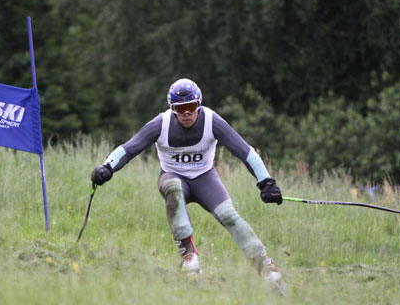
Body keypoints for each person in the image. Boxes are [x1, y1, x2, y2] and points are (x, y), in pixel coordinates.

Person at [90, 78, 285, 291]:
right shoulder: (161, 124)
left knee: (229, 215)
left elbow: (245, 151)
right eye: (180, 109)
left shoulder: (212, 121)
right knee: (173, 189)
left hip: (205, 178)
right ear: (172, 109)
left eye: (191, 107)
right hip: (172, 176)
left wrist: (266, 182)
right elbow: (129, 148)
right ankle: (188, 257)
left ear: (199, 105)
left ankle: (266, 268)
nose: (186, 114)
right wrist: (107, 167)